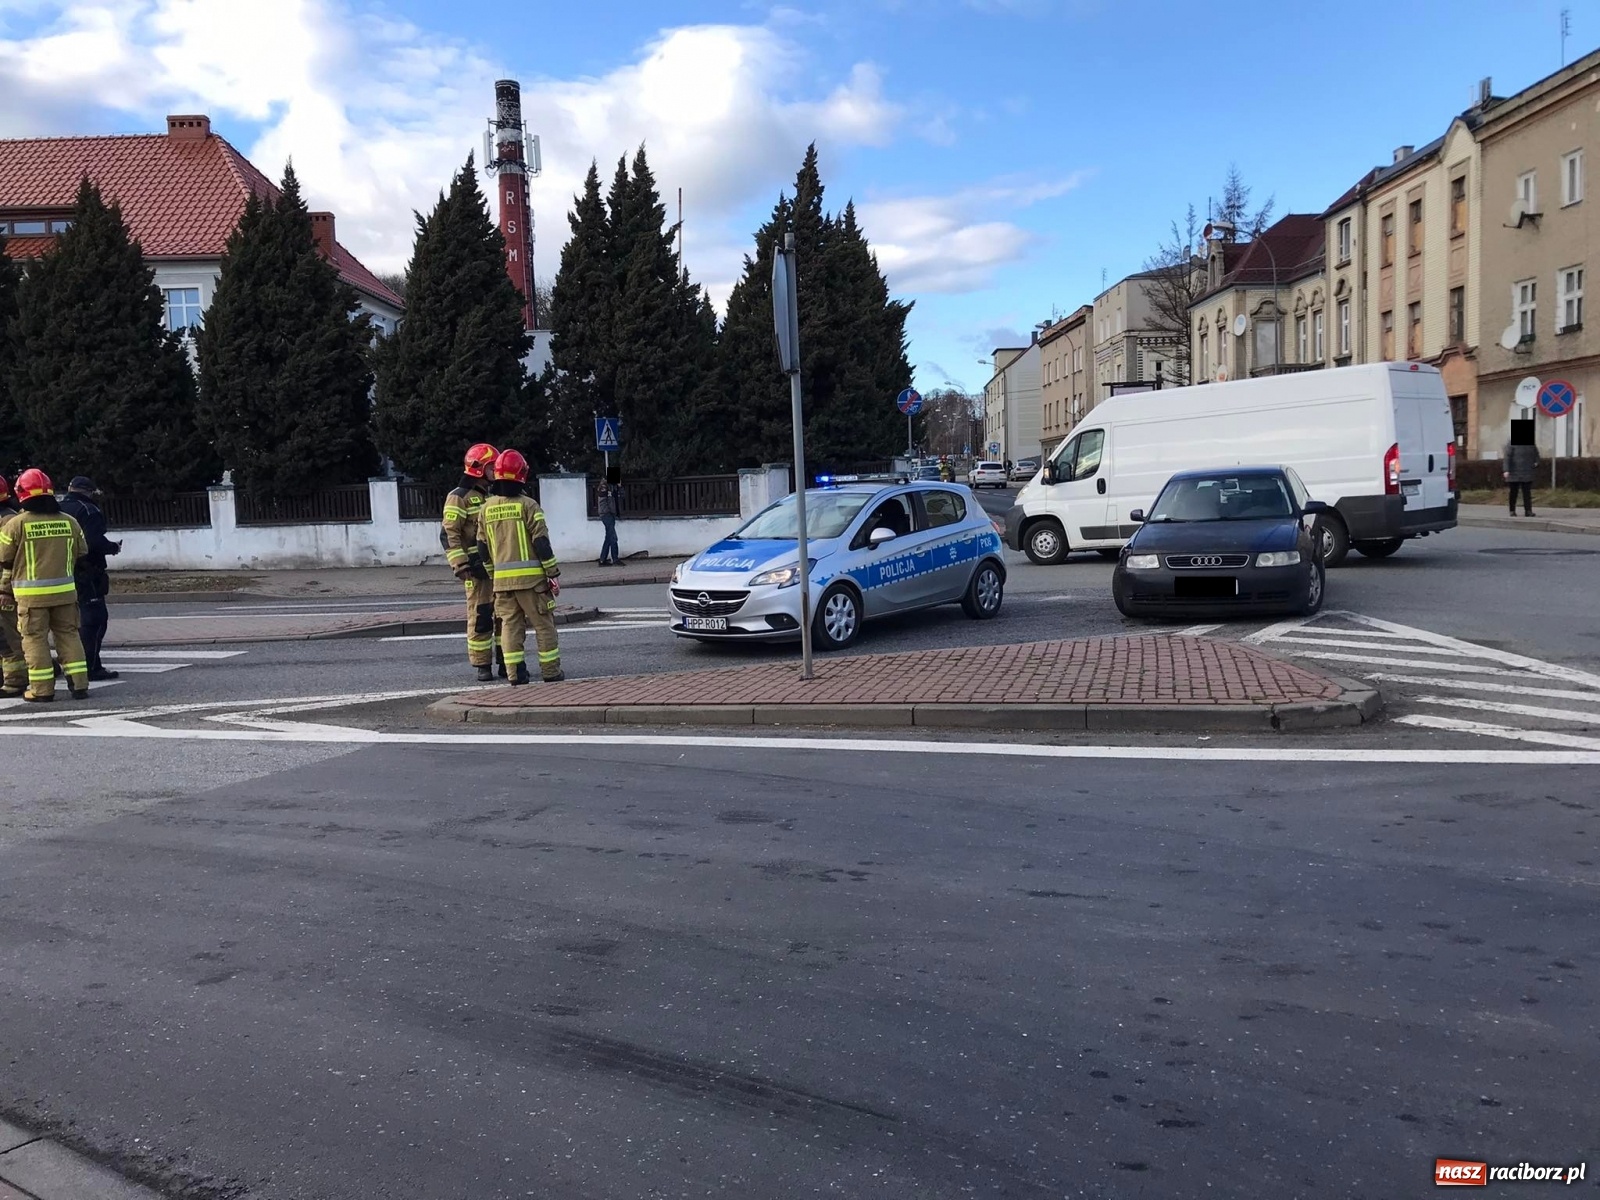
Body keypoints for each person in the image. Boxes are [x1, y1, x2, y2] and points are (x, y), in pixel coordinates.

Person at [0, 469, 89, 702]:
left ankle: (41, 690)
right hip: (66, 593)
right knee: (69, 636)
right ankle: (79, 685)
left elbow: (4, 557)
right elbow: (82, 552)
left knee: (34, 640)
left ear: (22, 493)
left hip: (31, 598)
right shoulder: (70, 521)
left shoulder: (16, 524)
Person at [484, 449, 564, 684]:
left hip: (502, 584)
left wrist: (494, 576)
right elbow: (541, 543)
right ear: (521, 475)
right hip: (532, 583)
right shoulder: (528, 505)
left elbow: (481, 548)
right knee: (544, 626)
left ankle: (515, 675)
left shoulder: (485, 509)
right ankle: (551, 672)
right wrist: (552, 573)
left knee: (509, 627)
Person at [441, 443, 502, 682]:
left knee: (504, 616)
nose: (495, 472)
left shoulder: (493, 495)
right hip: (475, 570)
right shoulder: (459, 497)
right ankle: (482, 665)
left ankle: (506, 661)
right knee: (481, 616)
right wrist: (461, 566)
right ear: (478, 468)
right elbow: (449, 534)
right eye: (491, 467)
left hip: (497, 567)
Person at [58, 476, 122, 681]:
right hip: (87, 572)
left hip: (61, 572)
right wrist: (113, 547)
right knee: (95, 620)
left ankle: (70, 663)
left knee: (68, 623)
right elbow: (93, 542)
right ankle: (91, 666)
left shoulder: (59, 509)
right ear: (89, 492)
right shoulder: (89, 510)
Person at [0, 474, 24, 698]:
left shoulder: (8, 520)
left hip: (4, 590)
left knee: (7, 637)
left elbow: (9, 560)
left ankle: (15, 680)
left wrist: (5, 590)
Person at [1502, 431, 1541, 517]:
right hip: (1514, 472)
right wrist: (1506, 470)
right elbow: (1507, 457)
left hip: (1527, 471)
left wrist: (1536, 462)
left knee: (1527, 493)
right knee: (1513, 492)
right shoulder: (1511, 443)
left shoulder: (1531, 443)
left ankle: (1528, 511)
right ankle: (1512, 510)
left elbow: (1536, 454)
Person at [596, 476, 623, 566]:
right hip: (607, 514)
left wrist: (619, 487)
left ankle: (602, 560)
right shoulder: (604, 486)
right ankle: (615, 559)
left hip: (609, 514)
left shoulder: (612, 486)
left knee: (608, 538)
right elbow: (605, 501)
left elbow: (621, 496)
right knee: (613, 537)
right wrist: (610, 512)